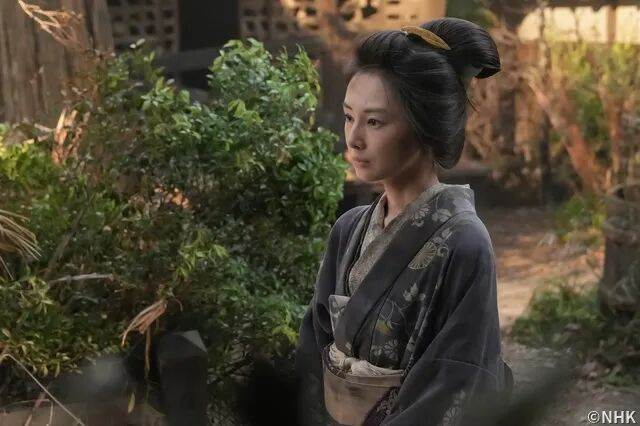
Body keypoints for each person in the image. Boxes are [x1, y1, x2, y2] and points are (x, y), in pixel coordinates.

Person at [295, 17, 513, 426]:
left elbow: (456, 379)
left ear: (423, 126)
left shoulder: (465, 243)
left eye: (375, 122)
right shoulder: (349, 229)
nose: (354, 138)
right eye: (348, 117)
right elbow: (314, 348)